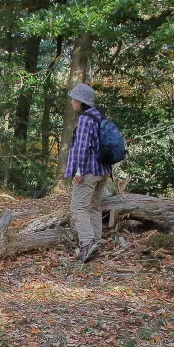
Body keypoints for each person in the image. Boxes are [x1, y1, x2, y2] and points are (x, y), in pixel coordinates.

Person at [63, 83, 112, 263]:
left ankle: (87, 243)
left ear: (79, 101)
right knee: (94, 207)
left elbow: (81, 148)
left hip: (89, 170)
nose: (72, 102)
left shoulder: (85, 119)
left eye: (73, 98)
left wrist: (78, 170)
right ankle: (96, 242)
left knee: (78, 207)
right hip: (103, 171)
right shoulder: (99, 116)